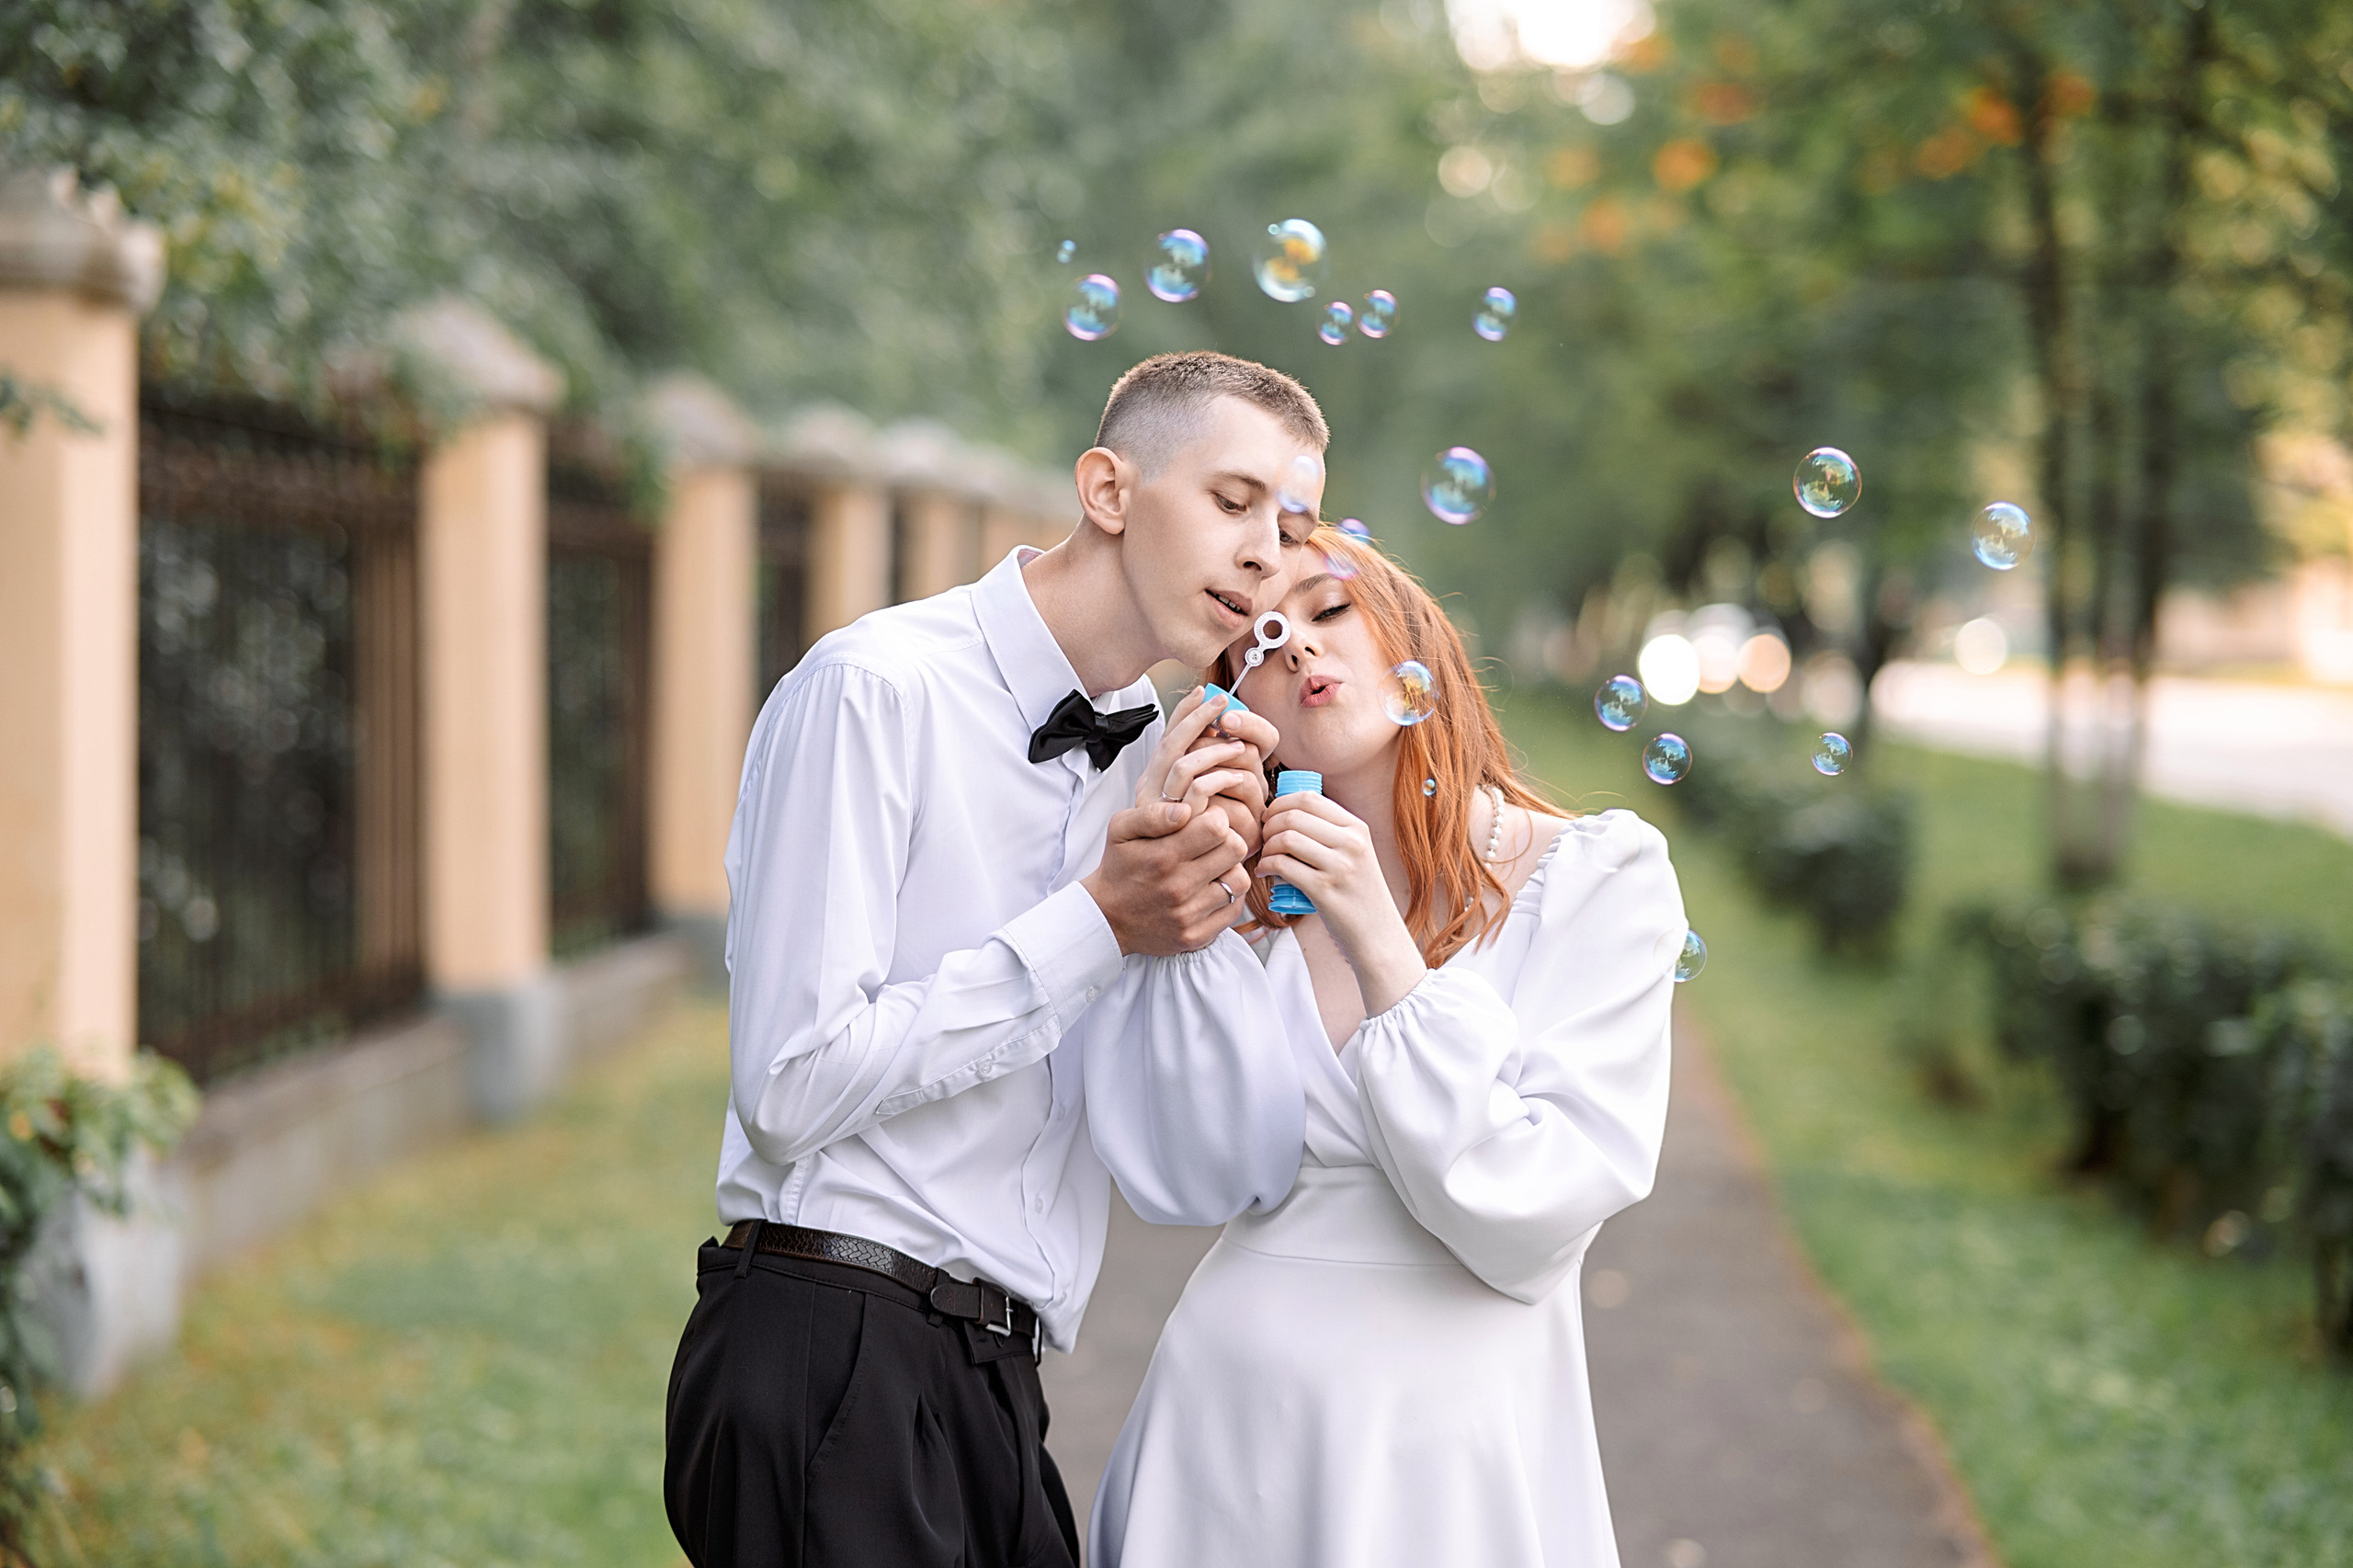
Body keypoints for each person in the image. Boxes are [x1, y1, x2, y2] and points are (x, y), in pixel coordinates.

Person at [664, 352, 1331, 1568]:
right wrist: (1099, 923)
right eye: (1234, 502)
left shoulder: (1157, 768)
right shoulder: (875, 690)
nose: (1263, 555)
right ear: (1108, 489)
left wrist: (1225, 942)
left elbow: (1194, 1169)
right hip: (830, 1343)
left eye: (1289, 528)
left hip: (997, 1381)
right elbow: (791, 1079)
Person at [1088, 524, 1689, 1568]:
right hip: (1227, 1438)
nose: (1301, 654)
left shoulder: (1600, 878)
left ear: (1407, 636)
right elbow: (1186, 1176)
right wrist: (1191, 921)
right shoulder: (1241, 919)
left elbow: (1533, 1215)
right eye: (1260, 647)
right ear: (1239, 714)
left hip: (1452, 1450)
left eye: (1328, 613)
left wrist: (1378, 941)